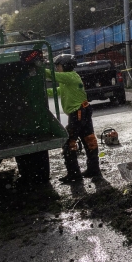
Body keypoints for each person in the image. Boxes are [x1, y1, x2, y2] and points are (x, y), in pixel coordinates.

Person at [45, 53, 100, 183]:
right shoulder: (70, 79)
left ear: (65, 65)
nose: (57, 69)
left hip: (78, 113)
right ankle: (93, 169)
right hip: (83, 110)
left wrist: (38, 67)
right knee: (89, 139)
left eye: (58, 66)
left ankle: (74, 174)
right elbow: (59, 90)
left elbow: (50, 75)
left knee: (69, 142)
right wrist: (45, 92)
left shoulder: (69, 77)